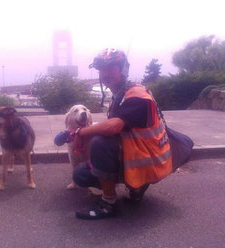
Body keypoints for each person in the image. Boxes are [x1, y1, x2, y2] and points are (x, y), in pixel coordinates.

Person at [72, 48, 173, 220]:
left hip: (149, 160)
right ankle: (136, 187)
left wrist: (80, 133)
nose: (105, 73)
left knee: (99, 143)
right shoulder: (120, 94)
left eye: (111, 68)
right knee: (81, 174)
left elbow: (113, 127)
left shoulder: (136, 96)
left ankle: (108, 203)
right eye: (102, 69)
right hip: (137, 154)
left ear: (123, 69)